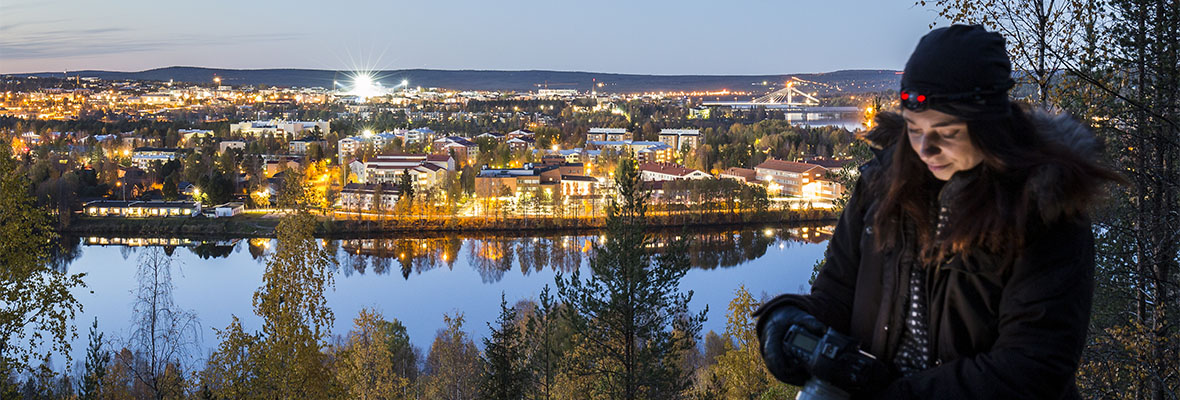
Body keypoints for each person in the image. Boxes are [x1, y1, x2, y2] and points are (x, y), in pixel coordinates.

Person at [754, 25, 1122, 399]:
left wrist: (894, 395)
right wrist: (787, 320)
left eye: (946, 132)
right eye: (914, 129)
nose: (925, 149)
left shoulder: (1044, 207)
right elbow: (836, 294)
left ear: (990, 127)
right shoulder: (883, 185)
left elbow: (1031, 367)